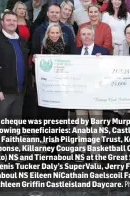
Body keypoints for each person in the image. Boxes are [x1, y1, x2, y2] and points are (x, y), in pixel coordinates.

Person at [0, 11, 28, 162]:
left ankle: (12, 156)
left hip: (19, 91)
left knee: (14, 126)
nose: (11, 22)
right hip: (2, 92)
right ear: (2, 22)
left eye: (14, 20)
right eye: (8, 20)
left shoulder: (21, 40)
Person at [33, 23, 72, 156]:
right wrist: (35, 63)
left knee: (59, 120)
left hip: (61, 91)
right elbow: (35, 71)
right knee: (48, 119)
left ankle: (56, 149)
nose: (55, 35)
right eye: (52, 33)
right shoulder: (42, 49)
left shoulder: (67, 48)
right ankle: (49, 150)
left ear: (61, 34)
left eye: (57, 33)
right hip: (47, 91)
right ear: (47, 34)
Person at [73, 26, 109, 159]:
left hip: (96, 93)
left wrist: (103, 62)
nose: (86, 36)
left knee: (96, 123)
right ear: (80, 36)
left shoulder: (103, 51)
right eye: (83, 34)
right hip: (80, 93)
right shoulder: (75, 51)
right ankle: (81, 150)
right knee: (80, 122)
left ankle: (95, 151)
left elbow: (108, 71)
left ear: (93, 36)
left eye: (89, 34)